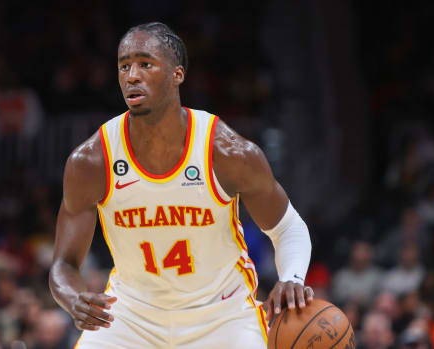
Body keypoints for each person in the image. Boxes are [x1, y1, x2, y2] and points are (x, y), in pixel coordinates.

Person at [48, 22, 313, 348]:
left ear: (177, 75)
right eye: (123, 65)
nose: (131, 75)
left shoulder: (227, 152)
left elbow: (288, 228)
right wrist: (73, 297)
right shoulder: (91, 161)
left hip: (222, 315)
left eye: (145, 64)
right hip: (131, 316)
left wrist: (292, 278)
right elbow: (63, 264)